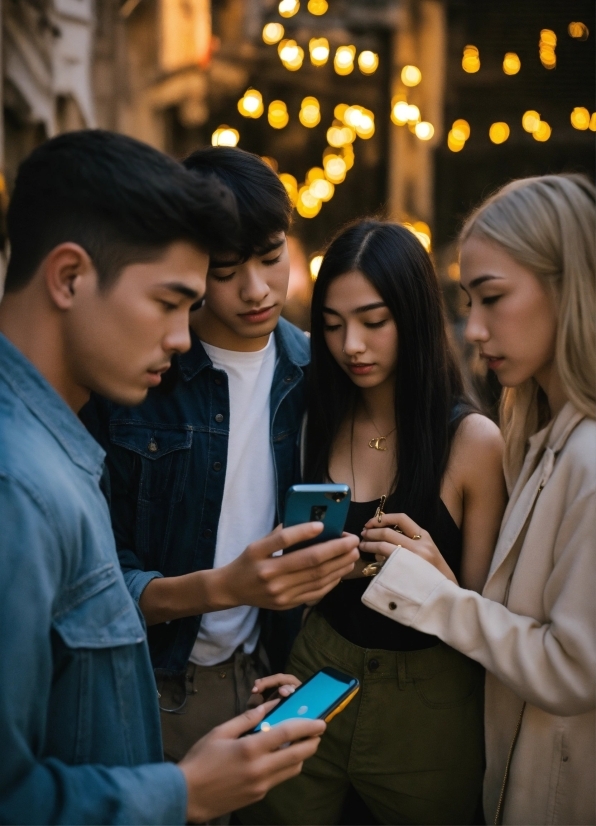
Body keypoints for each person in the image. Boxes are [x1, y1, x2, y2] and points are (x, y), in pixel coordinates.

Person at [0, 130, 328, 825]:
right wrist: (181, 794)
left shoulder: (54, 452)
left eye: (271, 259)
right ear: (68, 278)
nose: (184, 338)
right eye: (168, 301)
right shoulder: (20, 487)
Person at [81, 146, 359, 762]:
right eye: (226, 271)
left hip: (268, 678)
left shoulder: (316, 369)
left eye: (270, 258)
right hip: (149, 687)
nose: (256, 290)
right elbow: (89, 581)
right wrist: (222, 587)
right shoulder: (136, 380)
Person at [240, 220, 507, 825]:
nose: (350, 345)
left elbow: (491, 620)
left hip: (429, 699)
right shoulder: (313, 415)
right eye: (331, 325)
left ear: (411, 317)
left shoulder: (472, 442)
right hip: (316, 671)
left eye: (372, 321)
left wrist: (439, 581)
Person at [360, 175, 596, 824]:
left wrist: (439, 601)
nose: (473, 328)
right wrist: (447, 581)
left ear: (565, 286)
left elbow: (572, 671)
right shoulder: (544, 437)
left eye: (492, 298)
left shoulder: (588, 458)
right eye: (467, 301)